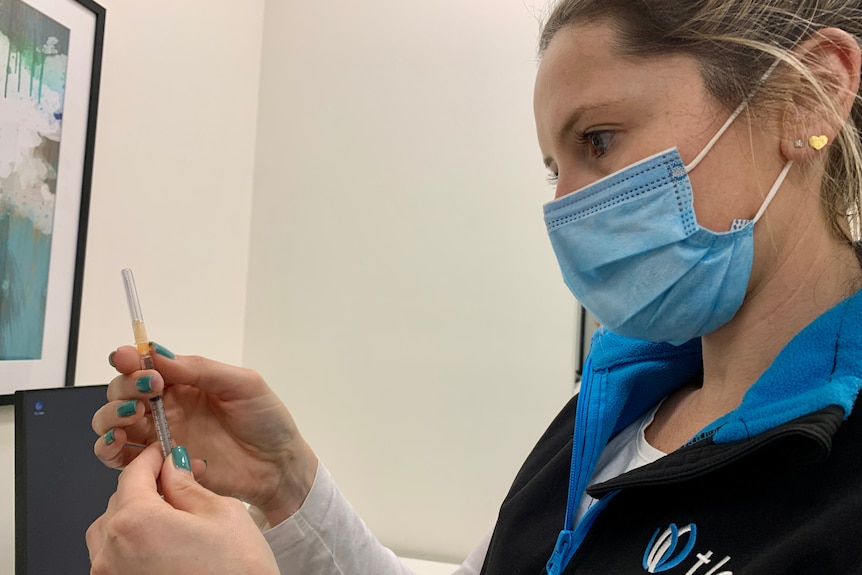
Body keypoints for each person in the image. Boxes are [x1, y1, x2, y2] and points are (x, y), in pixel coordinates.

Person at [86, 0, 862, 573]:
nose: (564, 206)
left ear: (812, 97)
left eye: (597, 139)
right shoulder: (619, 407)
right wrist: (285, 480)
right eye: (554, 167)